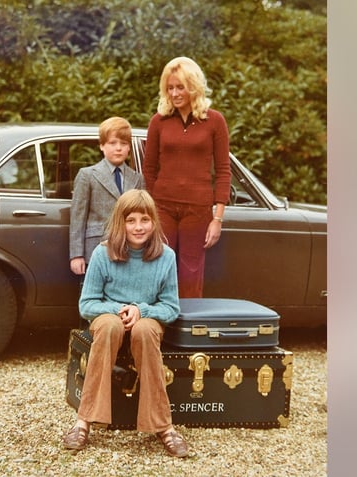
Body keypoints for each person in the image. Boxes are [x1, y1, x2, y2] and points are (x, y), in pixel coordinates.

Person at [62, 189, 189, 458]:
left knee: (144, 331)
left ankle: (163, 426)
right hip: (110, 317)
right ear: (121, 222)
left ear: (153, 222)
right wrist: (120, 310)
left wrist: (140, 311)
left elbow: (170, 307)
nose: (138, 227)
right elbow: (87, 304)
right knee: (108, 326)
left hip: (147, 319)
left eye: (144, 220)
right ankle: (83, 421)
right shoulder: (102, 253)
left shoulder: (165, 257)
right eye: (131, 220)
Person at [143, 56, 231, 298]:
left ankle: (187, 332)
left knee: (191, 271)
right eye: (170, 88)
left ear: (193, 86)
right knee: (159, 267)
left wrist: (218, 219)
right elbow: (148, 169)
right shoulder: (158, 122)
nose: (174, 93)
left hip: (198, 209)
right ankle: (157, 330)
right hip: (163, 208)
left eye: (180, 87)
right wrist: (152, 209)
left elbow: (223, 170)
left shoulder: (214, 121)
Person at [69, 116, 145, 276]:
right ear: (102, 146)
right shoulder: (87, 175)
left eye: (123, 144)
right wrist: (76, 255)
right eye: (112, 143)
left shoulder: (137, 178)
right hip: (96, 248)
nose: (118, 148)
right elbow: (77, 218)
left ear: (129, 148)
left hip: (129, 250)